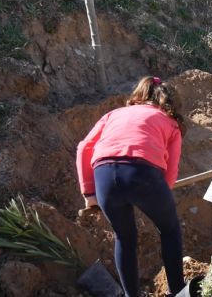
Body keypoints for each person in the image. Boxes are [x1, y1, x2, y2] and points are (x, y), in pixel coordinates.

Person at [77, 76, 185, 297]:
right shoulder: (170, 123)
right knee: (170, 229)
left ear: (139, 94)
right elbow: (171, 172)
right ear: (167, 102)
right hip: (142, 172)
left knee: (124, 237)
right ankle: (178, 292)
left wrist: (89, 193)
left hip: (103, 175)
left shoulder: (112, 115)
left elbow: (83, 148)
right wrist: (159, 194)